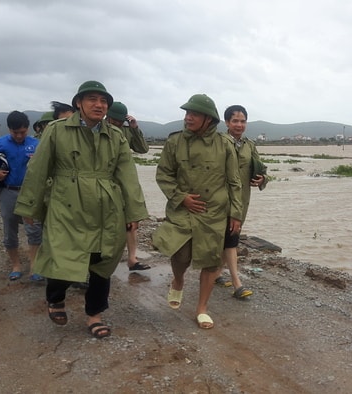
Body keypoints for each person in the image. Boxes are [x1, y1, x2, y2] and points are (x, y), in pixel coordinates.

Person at [14, 81, 148, 339]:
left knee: (102, 260)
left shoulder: (116, 135)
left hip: (105, 206)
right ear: (79, 103)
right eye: (92, 99)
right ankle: (55, 299)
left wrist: (133, 213)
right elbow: (38, 168)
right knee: (63, 253)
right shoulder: (57, 131)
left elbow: (127, 176)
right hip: (67, 203)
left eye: (103, 101)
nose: (99, 105)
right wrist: (30, 205)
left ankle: (94, 314)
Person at [152, 94, 243, 329]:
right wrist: (182, 198)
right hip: (183, 210)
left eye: (193, 114)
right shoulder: (175, 142)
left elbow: (234, 182)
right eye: (186, 113)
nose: (188, 118)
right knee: (180, 254)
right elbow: (163, 174)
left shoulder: (224, 144)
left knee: (211, 262)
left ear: (208, 119)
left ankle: (202, 308)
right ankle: (178, 279)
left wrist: (235, 214)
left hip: (214, 212)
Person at [214, 105, 267, 299]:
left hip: (242, 199)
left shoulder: (249, 145)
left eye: (243, 121)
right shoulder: (218, 142)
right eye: (235, 121)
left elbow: (259, 168)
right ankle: (237, 284)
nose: (239, 124)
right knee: (229, 238)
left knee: (230, 237)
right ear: (226, 122)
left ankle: (216, 273)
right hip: (220, 199)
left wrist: (262, 179)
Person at [0, 111, 44, 282]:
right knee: (10, 229)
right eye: (16, 133)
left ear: (27, 129)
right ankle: (16, 265)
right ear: (9, 129)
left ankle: (35, 266)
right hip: (8, 191)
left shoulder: (37, 144)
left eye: (23, 132)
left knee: (34, 229)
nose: (20, 136)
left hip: (30, 193)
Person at [105, 101, 150, 271]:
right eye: (113, 120)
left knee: (131, 221)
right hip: (105, 180)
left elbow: (143, 149)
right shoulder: (97, 129)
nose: (116, 123)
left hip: (124, 180)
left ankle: (132, 259)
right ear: (107, 116)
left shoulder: (126, 130)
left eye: (119, 121)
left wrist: (134, 129)